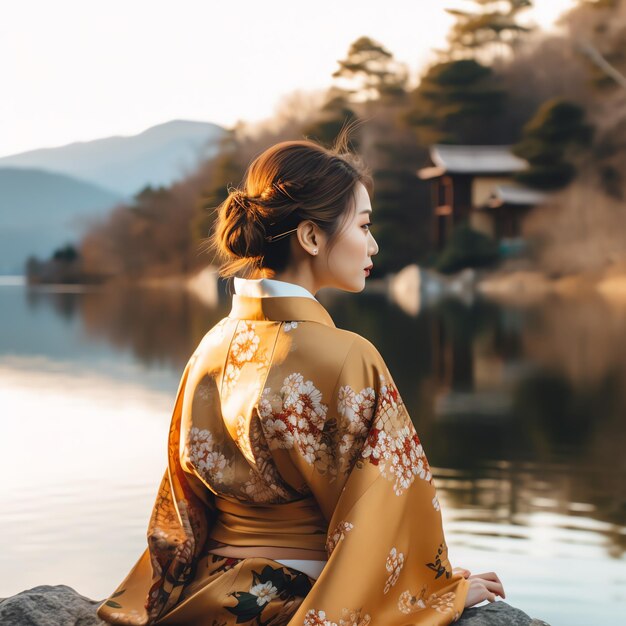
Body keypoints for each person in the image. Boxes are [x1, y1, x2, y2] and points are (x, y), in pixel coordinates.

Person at [97, 130, 516, 626]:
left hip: (207, 596)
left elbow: (182, 499)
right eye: (363, 226)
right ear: (312, 237)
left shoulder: (209, 347)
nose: (374, 244)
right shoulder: (348, 357)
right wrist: (430, 591)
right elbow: (388, 504)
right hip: (298, 595)